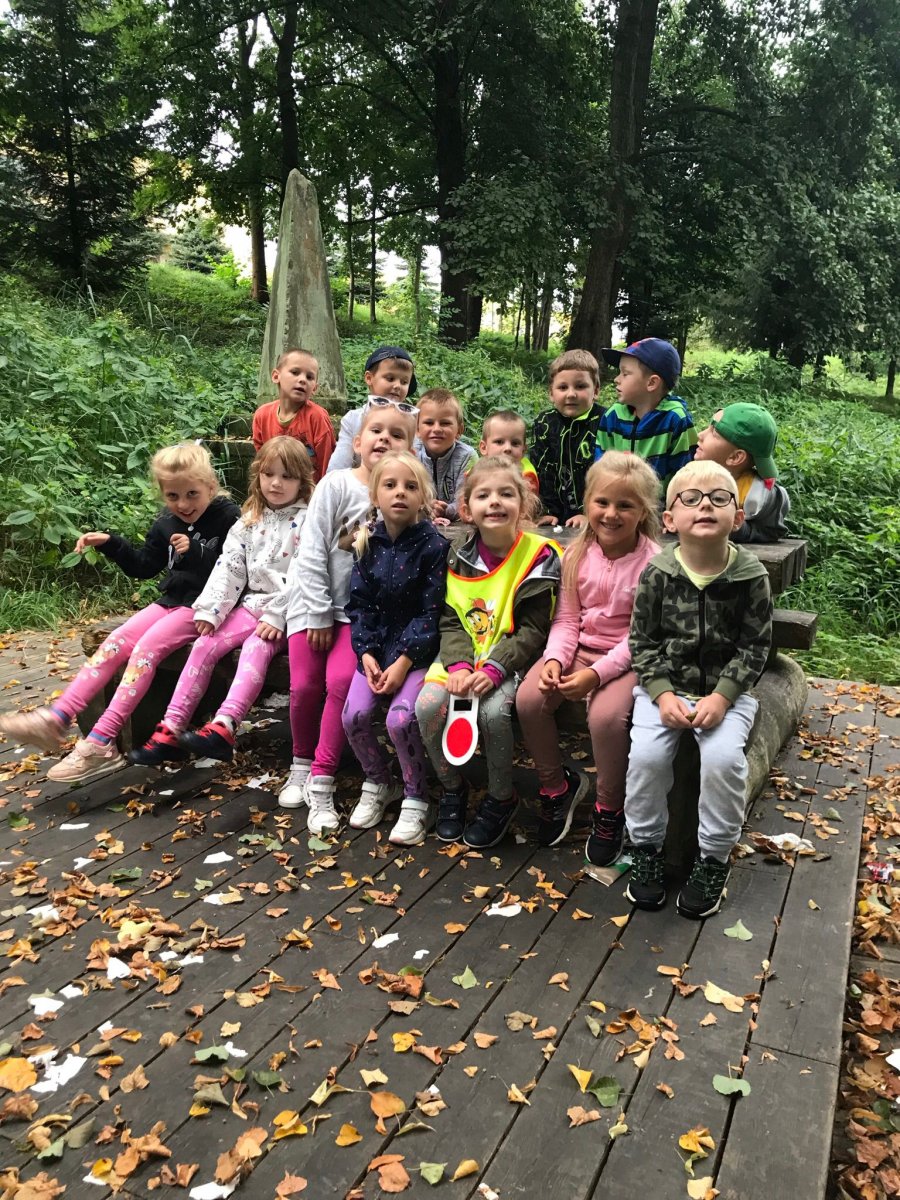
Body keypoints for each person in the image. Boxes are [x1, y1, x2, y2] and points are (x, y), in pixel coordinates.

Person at [0, 444, 239, 783]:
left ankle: (101, 740)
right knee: (115, 641)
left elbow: (240, 568)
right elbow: (144, 566)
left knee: (145, 650)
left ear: (210, 488)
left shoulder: (228, 517)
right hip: (171, 602)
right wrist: (111, 543)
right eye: (172, 496)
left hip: (207, 608)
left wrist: (199, 552)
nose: (183, 504)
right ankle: (57, 717)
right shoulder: (166, 522)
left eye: (192, 494)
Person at [624, 460, 773, 919]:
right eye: (690, 498)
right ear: (670, 519)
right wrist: (662, 693)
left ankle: (713, 858)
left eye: (718, 498)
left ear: (738, 516)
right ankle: (645, 847)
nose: (705, 505)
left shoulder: (750, 575)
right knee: (646, 758)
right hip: (663, 691)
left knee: (723, 761)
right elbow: (641, 641)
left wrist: (723, 696)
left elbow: (755, 646)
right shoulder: (658, 573)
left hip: (728, 696)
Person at [127, 437, 314, 766]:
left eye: (287, 476)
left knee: (256, 648)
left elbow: (306, 573)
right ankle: (170, 729)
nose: (276, 483)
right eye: (269, 474)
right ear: (258, 476)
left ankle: (224, 726)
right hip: (250, 606)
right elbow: (229, 567)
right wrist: (212, 610)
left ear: (302, 481)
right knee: (205, 643)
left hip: (287, 613)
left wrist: (278, 615)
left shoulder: (309, 521)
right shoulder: (249, 521)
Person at [279, 402, 417, 833]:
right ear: (357, 442)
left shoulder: (402, 496)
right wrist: (318, 612)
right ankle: (300, 764)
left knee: (340, 682)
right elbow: (311, 550)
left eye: (397, 434)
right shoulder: (336, 484)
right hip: (314, 606)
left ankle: (321, 776)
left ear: (411, 449)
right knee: (304, 686)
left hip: (357, 617)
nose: (385, 438)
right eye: (376, 431)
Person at [516, 453, 661, 857]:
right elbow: (566, 619)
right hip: (579, 651)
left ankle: (609, 808)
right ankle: (556, 787)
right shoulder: (576, 554)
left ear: (643, 511)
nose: (611, 514)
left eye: (625, 505)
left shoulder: (653, 564)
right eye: (602, 502)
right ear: (587, 502)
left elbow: (641, 637)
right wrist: (554, 661)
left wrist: (595, 676)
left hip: (627, 661)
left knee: (604, 718)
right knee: (529, 700)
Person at [416, 456, 561, 849]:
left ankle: (501, 797)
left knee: (494, 713)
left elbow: (534, 630)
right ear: (467, 509)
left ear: (523, 504)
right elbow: (451, 619)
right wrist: (459, 666)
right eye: (483, 495)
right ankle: (452, 788)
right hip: (461, 658)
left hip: (511, 660)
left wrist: (495, 668)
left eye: (506, 494)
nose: (495, 501)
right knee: (427, 707)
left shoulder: (539, 555)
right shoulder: (458, 555)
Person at [342, 451, 450, 845]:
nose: (399, 493)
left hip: (418, 652)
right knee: (354, 716)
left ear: (423, 497)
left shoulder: (433, 547)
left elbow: (432, 611)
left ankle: (417, 795)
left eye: (410, 486)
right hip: (376, 649)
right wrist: (366, 653)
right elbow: (359, 605)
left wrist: (404, 661)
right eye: (390, 485)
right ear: (375, 495)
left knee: (400, 720)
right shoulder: (367, 544)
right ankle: (379, 780)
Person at [596, 338, 696, 492]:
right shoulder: (613, 416)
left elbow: (686, 475)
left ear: (651, 383)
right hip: (618, 500)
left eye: (625, 373)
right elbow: (601, 465)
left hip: (661, 505)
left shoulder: (675, 420)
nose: (616, 379)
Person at [694, 403, 790, 543]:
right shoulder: (690, 477)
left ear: (735, 457)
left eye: (714, 433)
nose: (700, 435)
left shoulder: (758, 495)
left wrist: (737, 528)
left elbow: (770, 532)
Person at [531, 349, 605, 525]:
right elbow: (541, 470)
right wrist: (545, 511)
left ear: (595, 390)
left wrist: (588, 513)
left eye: (580, 386)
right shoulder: (545, 423)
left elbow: (609, 474)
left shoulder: (605, 421)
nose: (571, 394)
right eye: (563, 387)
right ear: (551, 393)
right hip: (554, 515)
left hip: (595, 515)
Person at [327, 345, 418, 472]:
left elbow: (415, 465)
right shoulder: (354, 419)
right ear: (369, 378)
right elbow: (338, 465)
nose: (397, 385)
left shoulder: (410, 422)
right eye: (390, 378)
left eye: (404, 382)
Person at [252, 348, 335, 480]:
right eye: (295, 372)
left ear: (314, 388)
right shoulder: (262, 416)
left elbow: (327, 465)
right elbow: (262, 462)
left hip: (310, 490)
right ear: (276, 376)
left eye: (309, 377)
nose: (302, 380)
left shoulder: (317, 417)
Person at [415, 388, 477, 521]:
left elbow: (469, 499)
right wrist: (425, 507)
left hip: (459, 526)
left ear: (459, 430)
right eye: (429, 423)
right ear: (417, 429)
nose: (436, 429)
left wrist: (446, 510)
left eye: (445, 423)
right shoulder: (411, 454)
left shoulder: (467, 456)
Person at [477, 409, 540, 495]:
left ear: (523, 450)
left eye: (515, 443)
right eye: (499, 442)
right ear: (484, 448)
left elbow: (528, 503)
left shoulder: (527, 478)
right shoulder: (475, 473)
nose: (508, 448)